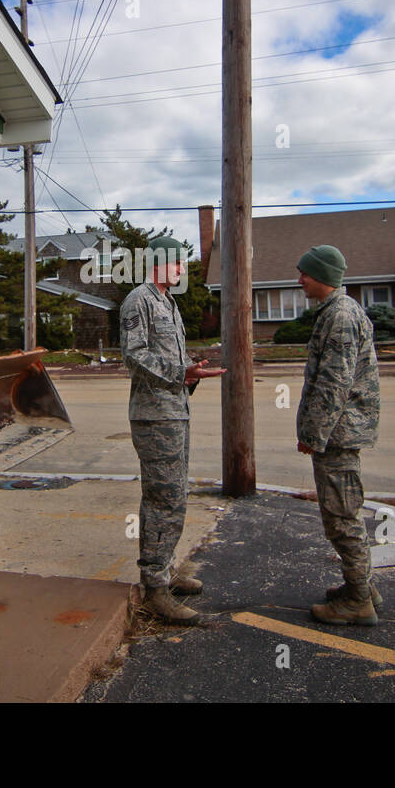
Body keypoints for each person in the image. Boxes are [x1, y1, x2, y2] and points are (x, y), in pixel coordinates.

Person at [119, 236, 225, 625]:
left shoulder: (169, 303)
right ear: (158, 262)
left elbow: (168, 359)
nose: (182, 270)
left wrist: (190, 370)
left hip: (174, 412)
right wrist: (182, 372)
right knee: (163, 498)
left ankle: (165, 569)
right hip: (153, 417)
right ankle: (155, 588)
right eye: (177, 263)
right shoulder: (140, 300)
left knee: (176, 495)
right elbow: (134, 355)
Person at [294, 245, 383, 626]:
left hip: (338, 435)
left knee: (341, 515)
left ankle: (358, 601)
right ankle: (360, 586)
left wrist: (314, 434)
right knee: (343, 512)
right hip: (340, 432)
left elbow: (334, 382)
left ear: (324, 277)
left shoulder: (341, 316)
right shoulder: (335, 312)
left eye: (305, 274)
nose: (300, 280)